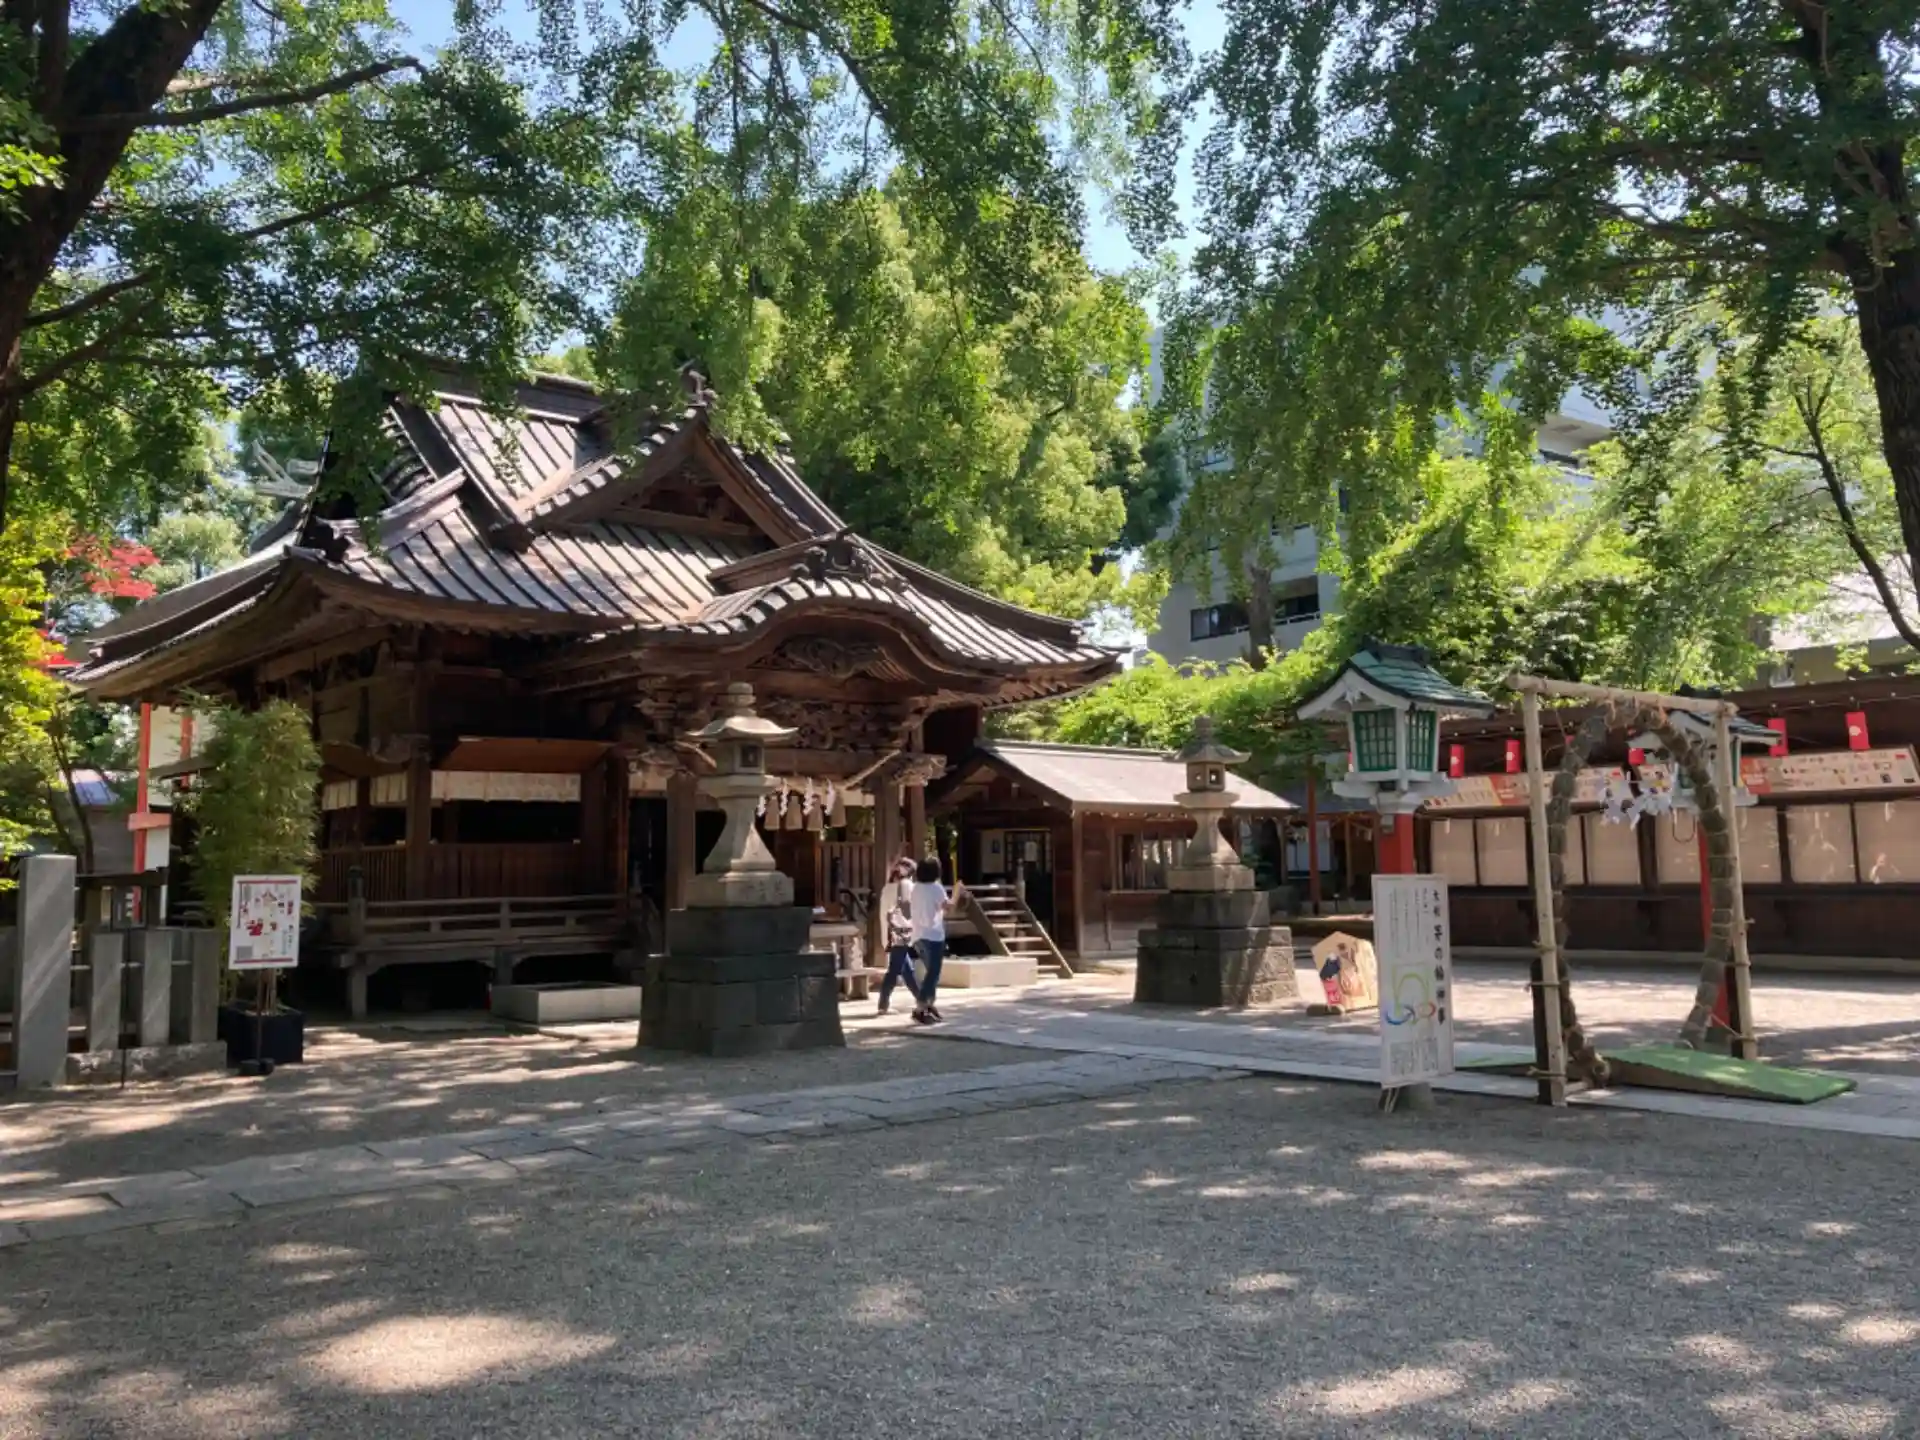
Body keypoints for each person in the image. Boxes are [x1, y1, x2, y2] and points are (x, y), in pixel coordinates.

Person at [909, 856, 963, 1025]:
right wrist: (957, 892)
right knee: (933, 973)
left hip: (917, 936)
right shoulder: (936, 888)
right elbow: (949, 907)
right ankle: (921, 1007)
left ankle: (929, 1004)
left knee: (931, 972)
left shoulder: (915, 887)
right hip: (933, 936)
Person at [875, 855, 922, 1015]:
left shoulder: (887, 888)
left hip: (891, 933)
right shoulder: (908, 887)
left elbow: (884, 914)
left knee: (906, 969)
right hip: (901, 932)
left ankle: (921, 998)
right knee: (895, 969)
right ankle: (884, 1003)